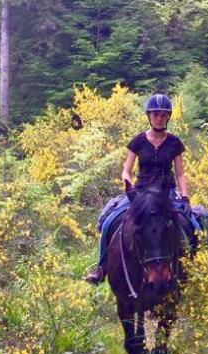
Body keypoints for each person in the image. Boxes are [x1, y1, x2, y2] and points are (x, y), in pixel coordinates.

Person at [83, 93, 198, 285]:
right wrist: (128, 184)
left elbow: (179, 174)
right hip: (140, 193)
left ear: (168, 117)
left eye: (163, 115)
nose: (159, 118)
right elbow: (126, 171)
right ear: (149, 116)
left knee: (191, 223)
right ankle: (101, 267)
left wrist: (185, 196)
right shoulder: (137, 141)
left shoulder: (175, 143)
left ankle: (191, 267)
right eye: (156, 114)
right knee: (109, 221)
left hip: (166, 194)